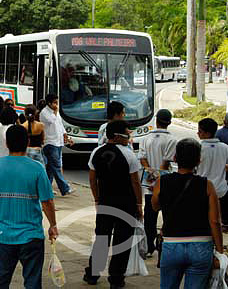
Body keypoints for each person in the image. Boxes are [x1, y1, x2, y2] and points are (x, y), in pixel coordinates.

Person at [0, 125, 57, 289]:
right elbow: (47, 202)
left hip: (4, 235)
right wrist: (53, 224)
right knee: (32, 282)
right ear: (28, 142)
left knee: (1, 281)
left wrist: (0, 211)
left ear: (7, 143)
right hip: (31, 236)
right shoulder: (36, 168)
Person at [152, 138, 224, 288]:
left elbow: (155, 206)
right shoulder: (207, 185)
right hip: (201, 246)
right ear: (199, 160)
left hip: (172, 244)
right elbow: (215, 221)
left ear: (175, 158)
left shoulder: (162, 181)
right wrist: (219, 251)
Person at [84, 120, 142, 288]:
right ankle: (116, 279)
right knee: (122, 241)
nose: (129, 138)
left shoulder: (96, 152)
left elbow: (92, 179)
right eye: (127, 134)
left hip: (105, 202)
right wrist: (139, 204)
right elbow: (135, 183)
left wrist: (96, 198)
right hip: (126, 203)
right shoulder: (129, 154)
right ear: (117, 137)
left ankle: (93, 274)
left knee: (102, 238)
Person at [138, 109, 177, 257]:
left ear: (156, 121)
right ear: (170, 122)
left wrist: (152, 176)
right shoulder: (172, 140)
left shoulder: (145, 138)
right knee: (167, 217)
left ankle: (149, 246)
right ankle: (165, 246)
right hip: (167, 185)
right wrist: (159, 178)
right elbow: (166, 163)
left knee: (150, 217)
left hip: (149, 185)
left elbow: (142, 159)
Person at [197, 118, 228, 231]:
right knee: (216, 220)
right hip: (220, 191)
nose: (198, 133)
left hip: (202, 190)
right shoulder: (225, 148)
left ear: (207, 133)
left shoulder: (197, 147)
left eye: (200, 131)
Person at [40, 94, 74, 196]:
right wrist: (55, 112)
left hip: (58, 142)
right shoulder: (44, 113)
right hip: (50, 142)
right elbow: (52, 121)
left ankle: (47, 189)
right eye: (54, 103)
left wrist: (66, 136)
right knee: (56, 166)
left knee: (50, 168)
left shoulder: (56, 112)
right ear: (49, 103)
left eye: (57, 102)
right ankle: (65, 188)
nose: (56, 105)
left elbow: (60, 124)